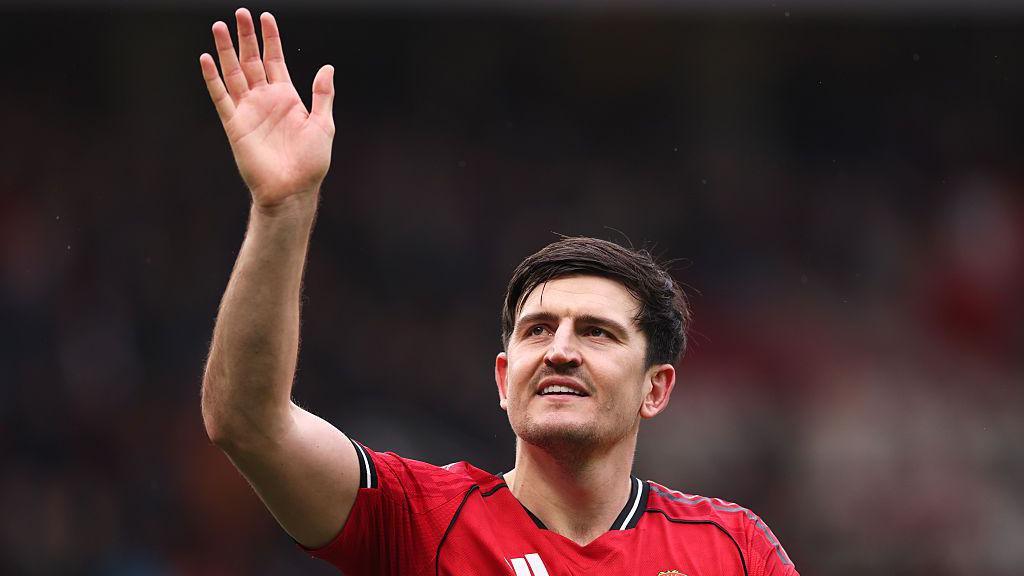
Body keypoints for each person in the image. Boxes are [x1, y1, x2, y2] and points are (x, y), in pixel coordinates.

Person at [199, 8, 798, 575]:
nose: (560, 350)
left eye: (597, 332)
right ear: (503, 378)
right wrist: (283, 207)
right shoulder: (420, 520)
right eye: (538, 330)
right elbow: (248, 422)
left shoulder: (731, 547)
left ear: (655, 387)